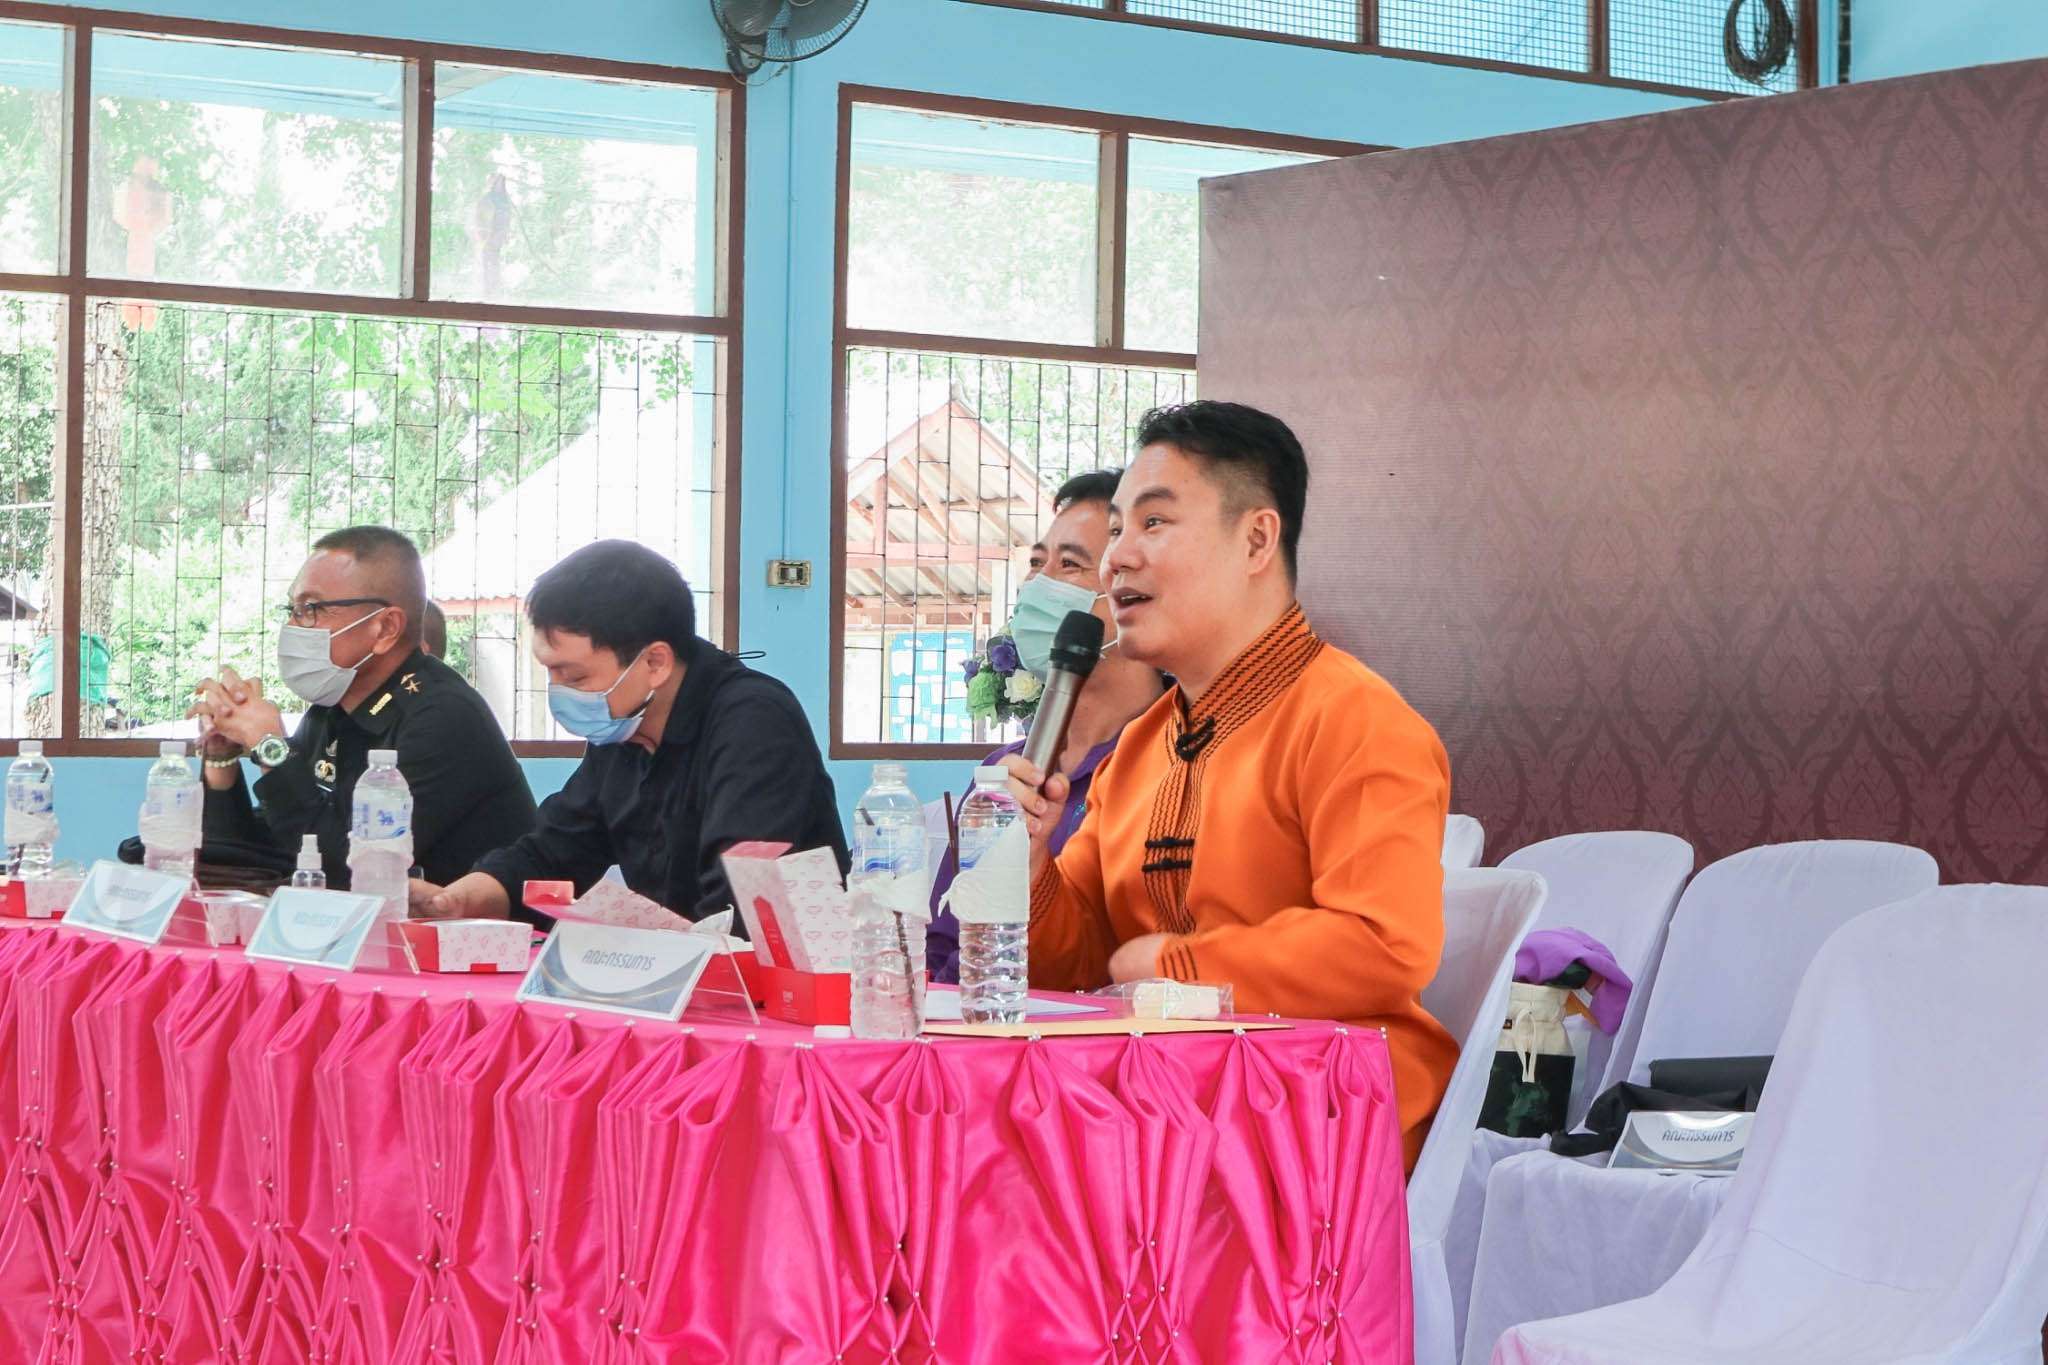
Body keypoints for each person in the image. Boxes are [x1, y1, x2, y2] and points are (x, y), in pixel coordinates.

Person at [1005, 401, 1456, 1170]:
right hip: (1163, 1100)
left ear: (1256, 539)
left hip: (1321, 1117)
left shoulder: (1357, 720)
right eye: (1116, 529)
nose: (1117, 559)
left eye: (1153, 522)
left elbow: (1384, 945)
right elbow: (1079, 967)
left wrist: (1178, 968)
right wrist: (1032, 865)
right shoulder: (1140, 746)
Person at [415, 540, 847, 925]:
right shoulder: (624, 731)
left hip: (769, 979)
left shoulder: (754, 723)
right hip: (679, 969)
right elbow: (553, 853)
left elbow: (737, 910)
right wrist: (456, 901)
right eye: (550, 673)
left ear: (655, 662)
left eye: (576, 677)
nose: (560, 692)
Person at [188, 526, 537, 887]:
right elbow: (267, 853)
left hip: (461, 923)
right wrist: (221, 759)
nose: (292, 626)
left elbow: (347, 871)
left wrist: (270, 747)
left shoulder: (444, 718)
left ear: (385, 628)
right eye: (292, 609)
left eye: (311, 609)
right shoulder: (331, 707)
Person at [926, 469, 1165, 982]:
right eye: (1037, 562)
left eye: (1069, 564)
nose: (1037, 583)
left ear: (1133, 589)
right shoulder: (1003, 771)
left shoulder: (1172, 761)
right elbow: (944, 942)